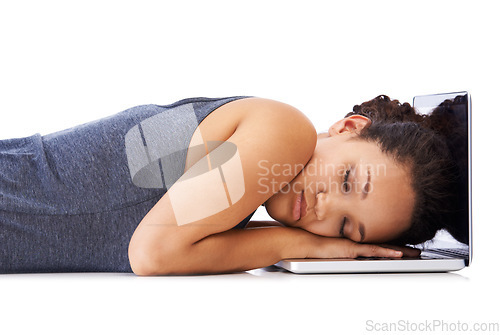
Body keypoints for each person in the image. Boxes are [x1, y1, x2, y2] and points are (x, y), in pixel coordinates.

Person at [0, 95, 465, 275]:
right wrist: (314, 248)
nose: (324, 209)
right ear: (347, 129)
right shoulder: (284, 131)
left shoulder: (237, 211)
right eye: (347, 180)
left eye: (347, 228)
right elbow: (152, 254)